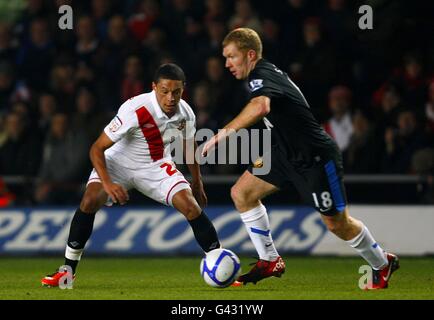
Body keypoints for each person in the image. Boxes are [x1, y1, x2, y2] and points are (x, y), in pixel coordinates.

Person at [202, 28, 399, 289]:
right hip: (283, 153)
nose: (227, 64)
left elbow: (261, 107)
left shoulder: (261, 75)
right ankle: (270, 260)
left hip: (314, 157)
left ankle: (382, 263)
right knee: (242, 193)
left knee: (337, 224)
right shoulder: (261, 76)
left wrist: (220, 136)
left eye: (231, 57)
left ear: (250, 55)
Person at [42, 63, 221, 287]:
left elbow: (188, 145)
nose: (170, 97)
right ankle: (67, 272)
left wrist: (197, 181)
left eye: (176, 91)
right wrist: (108, 184)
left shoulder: (186, 112)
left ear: (183, 89)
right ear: (154, 87)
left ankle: (221, 265)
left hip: (156, 165)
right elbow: (96, 148)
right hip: (118, 163)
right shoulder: (135, 109)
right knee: (89, 201)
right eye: (165, 91)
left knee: (191, 206)